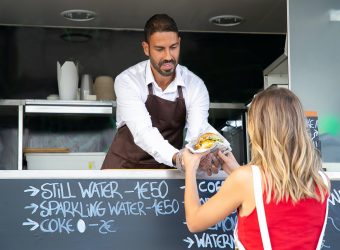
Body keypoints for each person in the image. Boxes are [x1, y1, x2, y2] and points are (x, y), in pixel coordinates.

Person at [183, 87, 330, 249]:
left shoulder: (245, 180)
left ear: (259, 128)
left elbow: (195, 222)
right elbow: (276, 203)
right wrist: (237, 170)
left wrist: (190, 168)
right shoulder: (321, 181)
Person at [101, 14, 221, 170]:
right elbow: (143, 131)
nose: (168, 56)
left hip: (166, 173)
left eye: (173, 47)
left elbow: (196, 133)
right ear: (146, 48)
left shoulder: (195, 85)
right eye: (160, 49)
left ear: (179, 43)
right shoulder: (127, 80)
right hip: (124, 170)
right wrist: (177, 157)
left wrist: (200, 154)